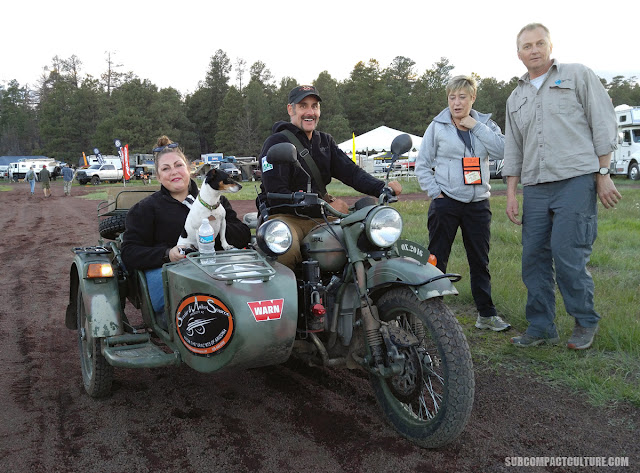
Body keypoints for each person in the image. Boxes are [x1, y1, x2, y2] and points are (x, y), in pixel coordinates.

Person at [503, 23, 621, 349]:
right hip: (536, 187)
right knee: (534, 258)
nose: (534, 50)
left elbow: (603, 121)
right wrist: (512, 193)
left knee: (567, 254)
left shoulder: (577, 75)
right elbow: (513, 148)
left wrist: (604, 172)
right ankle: (541, 327)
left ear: (550, 46)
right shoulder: (515, 98)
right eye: (527, 46)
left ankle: (585, 322)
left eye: (540, 43)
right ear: (519, 54)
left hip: (576, 180)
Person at [256, 85, 402, 269]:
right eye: (303, 106)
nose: (310, 112)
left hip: (321, 215)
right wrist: (322, 208)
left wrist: (382, 187)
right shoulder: (276, 142)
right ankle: (294, 295)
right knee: (286, 251)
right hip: (286, 217)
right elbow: (276, 194)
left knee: (365, 240)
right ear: (290, 109)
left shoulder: (325, 142)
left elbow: (352, 172)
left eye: (315, 106)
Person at [121, 136, 251, 328]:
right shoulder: (146, 209)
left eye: (178, 165)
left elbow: (243, 234)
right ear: (158, 176)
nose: (174, 172)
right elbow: (129, 252)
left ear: (189, 168)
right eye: (166, 168)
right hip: (172, 272)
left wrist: (213, 226)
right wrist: (168, 254)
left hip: (217, 268)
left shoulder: (217, 200)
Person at [415, 75, 510, 332]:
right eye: (452, 97)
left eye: (462, 97)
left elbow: (504, 151)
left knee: (480, 260)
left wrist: (476, 126)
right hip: (446, 202)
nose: (456, 103)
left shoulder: (487, 125)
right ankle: (431, 315)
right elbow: (422, 164)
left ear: (473, 98)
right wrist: (436, 193)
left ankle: (486, 315)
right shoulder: (437, 126)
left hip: (478, 203)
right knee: (436, 259)